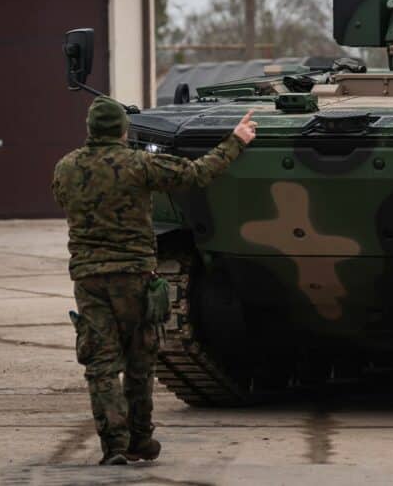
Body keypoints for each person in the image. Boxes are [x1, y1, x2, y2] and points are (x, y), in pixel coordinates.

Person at [51, 96, 257, 465]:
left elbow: (61, 198)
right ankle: (139, 439)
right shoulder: (140, 164)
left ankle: (113, 445)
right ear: (122, 130)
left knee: (100, 365)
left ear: (90, 130)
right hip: (135, 277)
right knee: (140, 360)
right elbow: (196, 174)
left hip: (89, 278)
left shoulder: (66, 167)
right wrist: (236, 140)